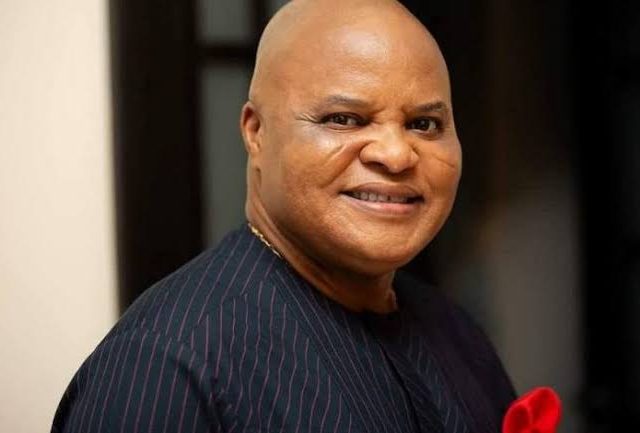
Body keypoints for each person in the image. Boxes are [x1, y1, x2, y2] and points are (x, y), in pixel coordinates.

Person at [52, 0, 516, 432]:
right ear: (256, 132)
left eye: (424, 125)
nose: (396, 155)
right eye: (343, 119)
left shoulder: (455, 334)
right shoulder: (169, 364)